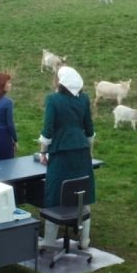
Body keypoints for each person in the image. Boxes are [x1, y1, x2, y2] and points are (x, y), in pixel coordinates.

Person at [37, 66, 96, 250]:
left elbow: (48, 130)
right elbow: (89, 128)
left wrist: (43, 151)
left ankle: (48, 240)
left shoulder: (53, 100)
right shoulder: (84, 99)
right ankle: (84, 239)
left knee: (55, 192)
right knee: (82, 191)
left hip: (61, 151)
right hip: (81, 150)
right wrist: (89, 149)